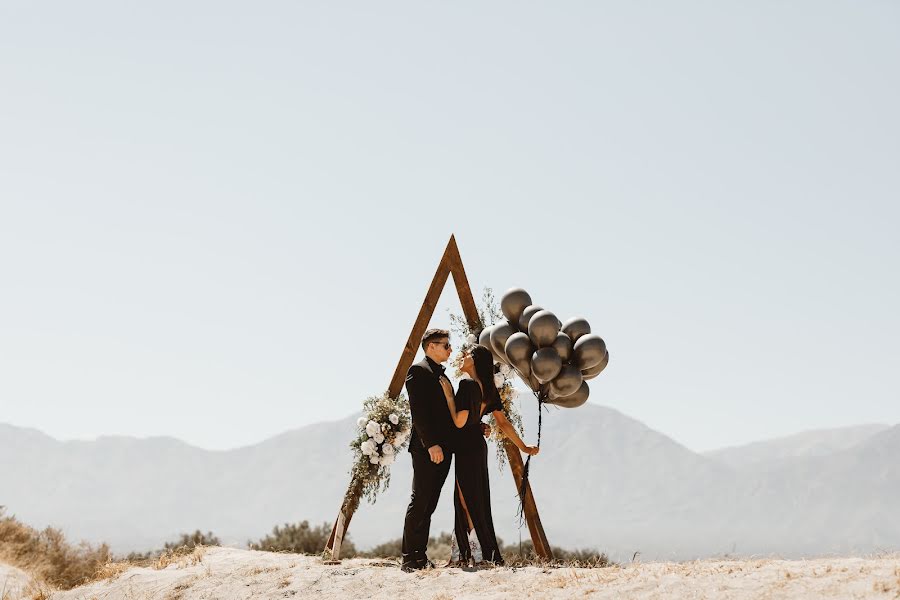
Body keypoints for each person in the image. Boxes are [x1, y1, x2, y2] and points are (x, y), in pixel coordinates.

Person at [439, 343, 539, 566]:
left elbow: (459, 421)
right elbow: (503, 423)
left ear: (474, 360)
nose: (462, 357)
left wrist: (448, 396)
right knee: (476, 498)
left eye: (466, 355)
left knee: (465, 499)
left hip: (465, 447)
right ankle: (469, 552)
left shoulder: (466, 385)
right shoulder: (490, 388)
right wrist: (523, 447)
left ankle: (474, 552)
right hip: (477, 446)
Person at [400, 328, 457, 571]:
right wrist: (431, 444)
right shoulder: (418, 372)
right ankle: (408, 558)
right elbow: (419, 413)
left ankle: (420, 556)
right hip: (427, 448)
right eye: (445, 345)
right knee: (420, 499)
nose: (450, 349)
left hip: (446, 448)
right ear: (431, 346)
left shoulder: (444, 377)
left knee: (431, 502)